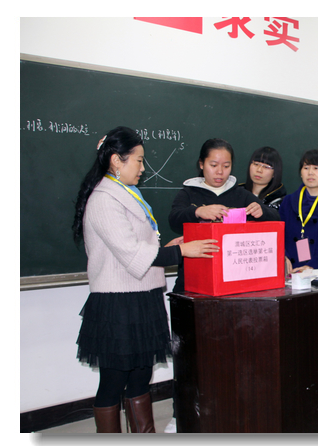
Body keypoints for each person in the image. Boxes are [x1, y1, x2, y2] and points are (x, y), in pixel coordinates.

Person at [72, 126, 220, 433]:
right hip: (118, 302)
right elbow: (131, 254)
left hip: (143, 295)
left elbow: (139, 245)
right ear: (117, 160)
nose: (143, 168)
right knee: (114, 381)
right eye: (138, 160)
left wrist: (169, 246)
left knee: (141, 377)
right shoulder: (104, 199)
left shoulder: (127, 193)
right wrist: (181, 251)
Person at [168, 138, 280, 292]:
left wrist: (262, 211)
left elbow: (276, 218)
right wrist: (197, 211)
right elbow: (174, 220)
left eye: (226, 166)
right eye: (213, 165)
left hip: (233, 279)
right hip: (194, 278)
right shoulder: (188, 193)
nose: (220, 172)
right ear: (201, 164)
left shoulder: (241, 194)